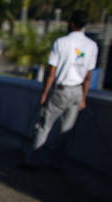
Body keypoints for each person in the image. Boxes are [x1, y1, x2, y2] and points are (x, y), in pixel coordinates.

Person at [24, 10, 98, 169]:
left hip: (61, 90)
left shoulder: (61, 42)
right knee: (66, 131)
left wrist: (44, 94)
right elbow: (88, 76)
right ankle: (57, 163)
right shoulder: (92, 46)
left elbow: (51, 73)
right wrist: (83, 98)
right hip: (77, 92)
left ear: (71, 23)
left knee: (44, 127)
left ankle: (33, 161)